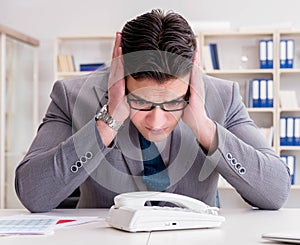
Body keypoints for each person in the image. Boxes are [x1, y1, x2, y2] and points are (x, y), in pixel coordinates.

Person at [15, 9, 290, 213]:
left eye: (172, 103)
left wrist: (205, 128)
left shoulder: (222, 97)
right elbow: (33, 195)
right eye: (142, 102)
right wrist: (109, 121)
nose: (157, 121)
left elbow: (276, 191)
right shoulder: (72, 96)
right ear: (120, 71)